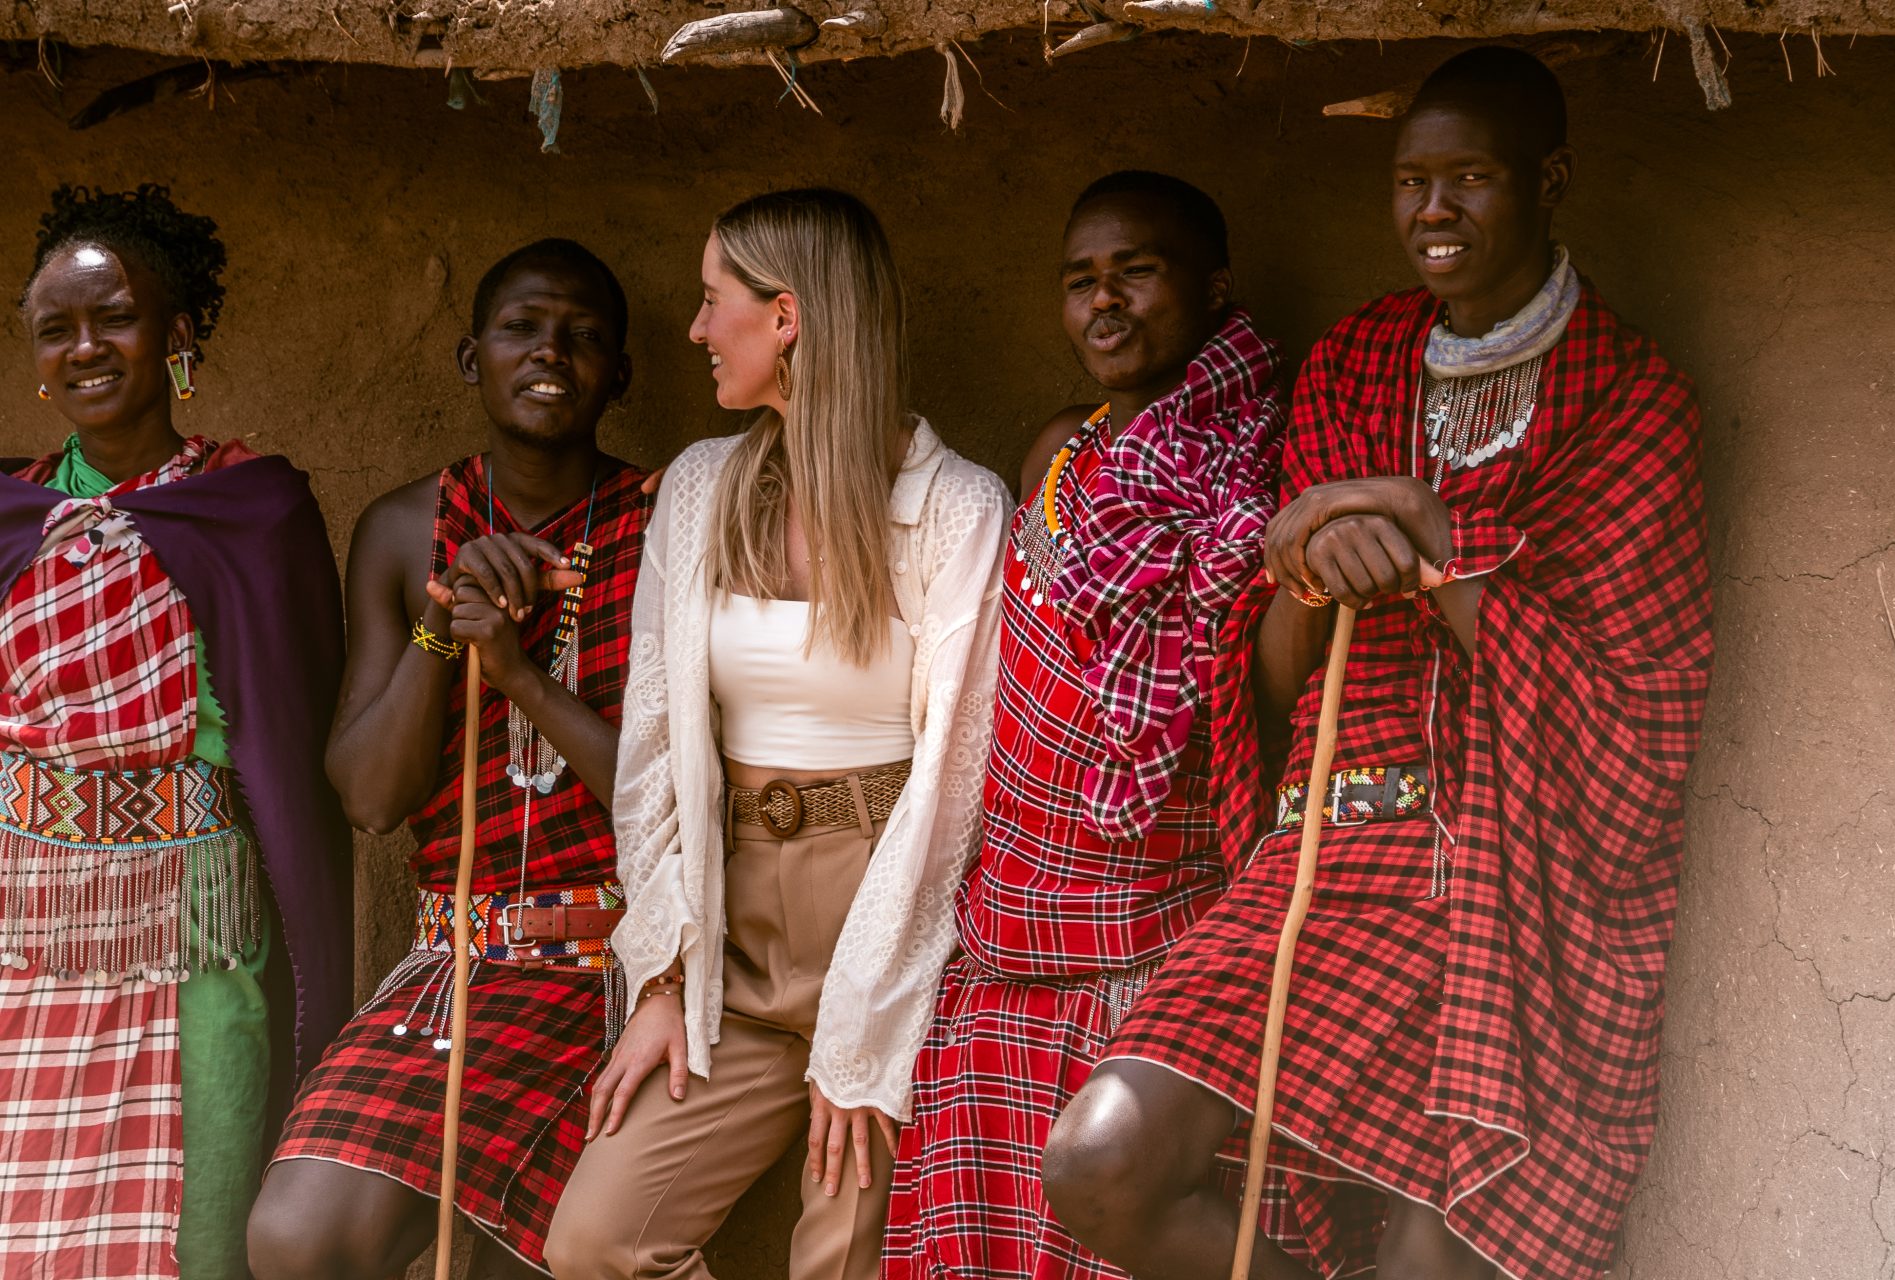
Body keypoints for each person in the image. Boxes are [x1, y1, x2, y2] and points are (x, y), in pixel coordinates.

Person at [1044, 48, 1715, 1280]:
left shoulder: (1627, 397)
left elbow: (1638, 711)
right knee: (1104, 1158)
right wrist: (1310, 552)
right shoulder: (1356, 363)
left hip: (1517, 879)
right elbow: (1281, 675)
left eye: (1470, 178)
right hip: (1327, 854)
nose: (1435, 212)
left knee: (1431, 1261)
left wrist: (1420, 531)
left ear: (1551, 178)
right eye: (1413, 181)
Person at [543, 187, 1009, 1280]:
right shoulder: (703, 488)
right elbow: (656, 743)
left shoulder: (955, 506)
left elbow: (956, 775)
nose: (698, 330)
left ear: (787, 316)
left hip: (891, 929)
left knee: (839, 1258)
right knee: (598, 1241)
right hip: (733, 935)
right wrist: (661, 979)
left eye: (714, 302)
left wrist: (861, 1028)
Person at [881, 171, 1290, 1280]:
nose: (1103, 304)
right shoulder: (1054, 456)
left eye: (1136, 273)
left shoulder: (1258, 474)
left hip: (1145, 955)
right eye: (1080, 282)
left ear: (1214, 290)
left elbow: (1261, 707)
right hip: (1000, 955)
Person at [248, 238, 652, 1279]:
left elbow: (666, 799)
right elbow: (372, 798)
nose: (550, 351)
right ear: (472, 357)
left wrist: (520, 674)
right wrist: (444, 625)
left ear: (622, 371)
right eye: (521, 327)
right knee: (299, 1235)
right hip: (456, 961)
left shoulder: (665, 526)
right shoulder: (403, 527)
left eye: (583, 334)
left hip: (620, 962)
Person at [0, 184, 352, 1280]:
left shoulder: (253, 509)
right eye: (56, 329)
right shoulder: (10, 516)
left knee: (198, 1233)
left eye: (115, 317)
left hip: (193, 933)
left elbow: (298, 743)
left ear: (178, 333)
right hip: (18, 934)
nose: (86, 347)